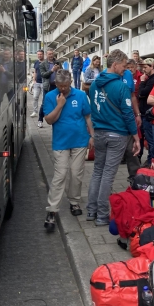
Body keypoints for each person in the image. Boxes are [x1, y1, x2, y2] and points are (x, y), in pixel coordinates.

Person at [87, 50, 140, 226]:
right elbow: (127, 113)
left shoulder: (95, 84)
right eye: (124, 66)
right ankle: (102, 215)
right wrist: (136, 136)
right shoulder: (121, 87)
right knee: (108, 174)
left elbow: (93, 110)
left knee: (97, 172)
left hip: (100, 133)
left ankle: (91, 210)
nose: (125, 70)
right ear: (115, 64)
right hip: (117, 134)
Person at [42, 70, 93, 230]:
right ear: (55, 84)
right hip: (61, 142)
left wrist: (92, 135)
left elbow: (87, 116)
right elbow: (49, 120)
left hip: (80, 140)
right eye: (60, 86)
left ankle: (74, 201)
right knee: (60, 174)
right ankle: (52, 209)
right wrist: (60, 105)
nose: (63, 89)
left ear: (70, 82)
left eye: (65, 86)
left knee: (76, 173)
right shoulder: (51, 97)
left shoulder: (80, 95)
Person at [138, 58, 154, 166]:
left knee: (151, 140)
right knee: (149, 139)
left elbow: (141, 93)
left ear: (152, 66)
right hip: (146, 113)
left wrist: (142, 82)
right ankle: (150, 160)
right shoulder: (152, 78)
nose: (143, 70)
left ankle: (152, 162)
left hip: (149, 114)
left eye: (146, 67)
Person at [38, 49, 60, 128]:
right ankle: (40, 120)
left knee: (57, 102)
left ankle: (55, 119)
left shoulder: (57, 62)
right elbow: (43, 75)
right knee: (44, 103)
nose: (51, 56)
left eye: (52, 54)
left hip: (56, 86)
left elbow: (60, 72)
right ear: (46, 55)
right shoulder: (42, 64)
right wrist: (52, 70)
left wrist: (58, 70)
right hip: (48, 86)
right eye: (49, 54)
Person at [30, 49, 45, 117]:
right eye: (38, 54)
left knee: (44, 98)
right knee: (35, 97)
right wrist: (33, 80)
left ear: (43, 55)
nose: (39, 55)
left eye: (40, 54)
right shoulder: (36, 62)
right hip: (37, 83)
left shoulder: (46, 62)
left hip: (44, 83)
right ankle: (35, 111)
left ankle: (44, 111)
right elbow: (35, 72)